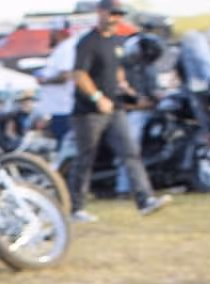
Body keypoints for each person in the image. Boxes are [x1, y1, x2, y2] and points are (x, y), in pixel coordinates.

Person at [70, 0, 167, 221]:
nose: (115, 18)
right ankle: (76, 208)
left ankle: (145, 200)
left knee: (130, 152)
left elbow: (117, 69)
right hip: (89, 112)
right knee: (85, 158)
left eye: (119, 14)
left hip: (115, 108)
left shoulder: (116, 42)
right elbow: (79, 75)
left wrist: (124, 86)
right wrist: (97, 97)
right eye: (112, 13)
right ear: (100, 12)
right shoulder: (88, 43)